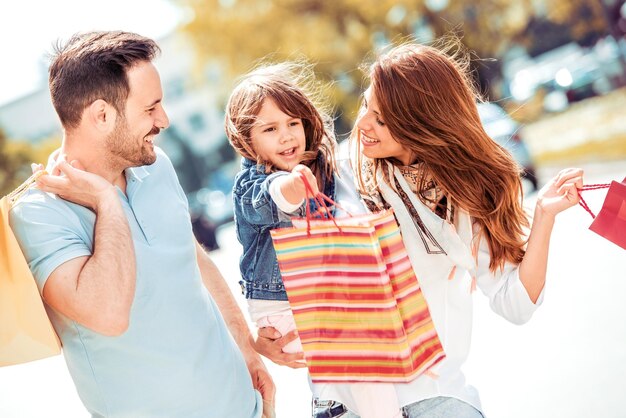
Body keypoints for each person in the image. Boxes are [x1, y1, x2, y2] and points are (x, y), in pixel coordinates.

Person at [255, 41, 584, 418]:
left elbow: (516, 302)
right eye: (365, 105)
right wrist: (264, 334)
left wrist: (543, 217)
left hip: (432, 399)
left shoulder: (461, 203)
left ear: (419, 125)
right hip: (343, 404)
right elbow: (272, 243)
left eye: (380, 119)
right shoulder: (336, 174)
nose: (362, 124)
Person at [9, 31, 273, 418]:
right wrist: (105, 202)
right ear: (101, 115)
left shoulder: (156, 164)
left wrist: (248, 354)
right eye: (150, 109)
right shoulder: (37, 214)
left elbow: (192, 257)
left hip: (243, 406)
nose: (163, 120)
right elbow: (109, 314)